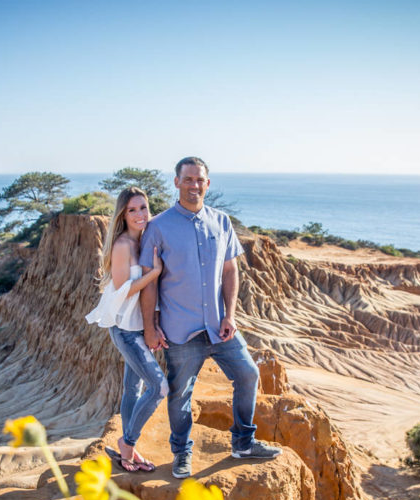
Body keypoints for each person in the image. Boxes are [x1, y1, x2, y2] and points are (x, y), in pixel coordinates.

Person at [139, 157, 281, 479]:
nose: (194, 185)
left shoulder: (222, 221)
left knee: (248, 374)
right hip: (180, 330)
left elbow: (231, 270)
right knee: (180, 394)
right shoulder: (158, 227)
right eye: (187, 179)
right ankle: (181, 454)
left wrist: (230, 314)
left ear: (207, 183)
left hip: (220, 327)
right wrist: (151, 326)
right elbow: (149, 283)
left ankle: (243, 442)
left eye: (199, 180)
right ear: (176, 182)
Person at [85, 187, 167, 472]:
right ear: (123, 213)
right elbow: (124, 291)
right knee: (159, 387)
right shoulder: (122, 245)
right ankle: (127, 443)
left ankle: (129, 451)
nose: (139, 214)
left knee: (133, 388)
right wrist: (153, 273)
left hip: (138, 327)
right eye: (132, 210)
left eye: (143, 208)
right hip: (125, 330)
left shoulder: (145, 240)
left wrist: (154, 324)